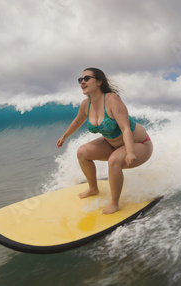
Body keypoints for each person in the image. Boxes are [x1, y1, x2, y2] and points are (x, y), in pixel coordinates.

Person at [56, 68, 153, 214]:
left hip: (139, 144)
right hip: (112, 144)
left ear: (99, 81)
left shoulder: (112, 100)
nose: (82, 82)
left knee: (114, 161)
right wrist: (64, 136)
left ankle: (114, 203)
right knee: (82, 152)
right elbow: (77, 122)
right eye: (80, 80)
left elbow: (125, 128)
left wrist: (130, 151)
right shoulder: (85, 105)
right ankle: (93, 188)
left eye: (87, 78)